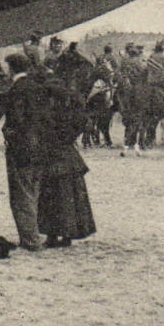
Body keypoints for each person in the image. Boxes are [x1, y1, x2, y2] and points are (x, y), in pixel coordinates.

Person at [37, 76, 95, 248]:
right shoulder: (70, 113)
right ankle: (68, 233)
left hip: (53, 158)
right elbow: (83, 122)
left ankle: (53, 234)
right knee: (70, 198)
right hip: (70, 157)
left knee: (51, 197)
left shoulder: (49, 114)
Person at [0, 53, 48, 251]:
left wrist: (8, 132)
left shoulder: (16, 89)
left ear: (11, 69)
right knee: (34, 191)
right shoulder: (38, 87)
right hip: (40, 147)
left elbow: (17, 120)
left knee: (21, 195)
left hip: (21, 148)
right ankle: (33, 235)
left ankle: (30, 239)